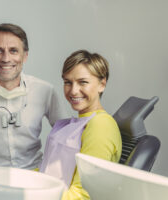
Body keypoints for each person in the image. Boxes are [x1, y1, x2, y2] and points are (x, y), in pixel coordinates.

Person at [0, 23, 67, 169]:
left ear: (25, 56)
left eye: (13, 51)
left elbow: (65, 134)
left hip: (33, 173)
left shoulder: (45, 91)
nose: (6, 58)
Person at [40, 50, 122, 200]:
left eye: (82, 82)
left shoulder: (101, 125)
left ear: (102, 84)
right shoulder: (76, 123)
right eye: (67, 82)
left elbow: (83, 195)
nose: (73, 90)